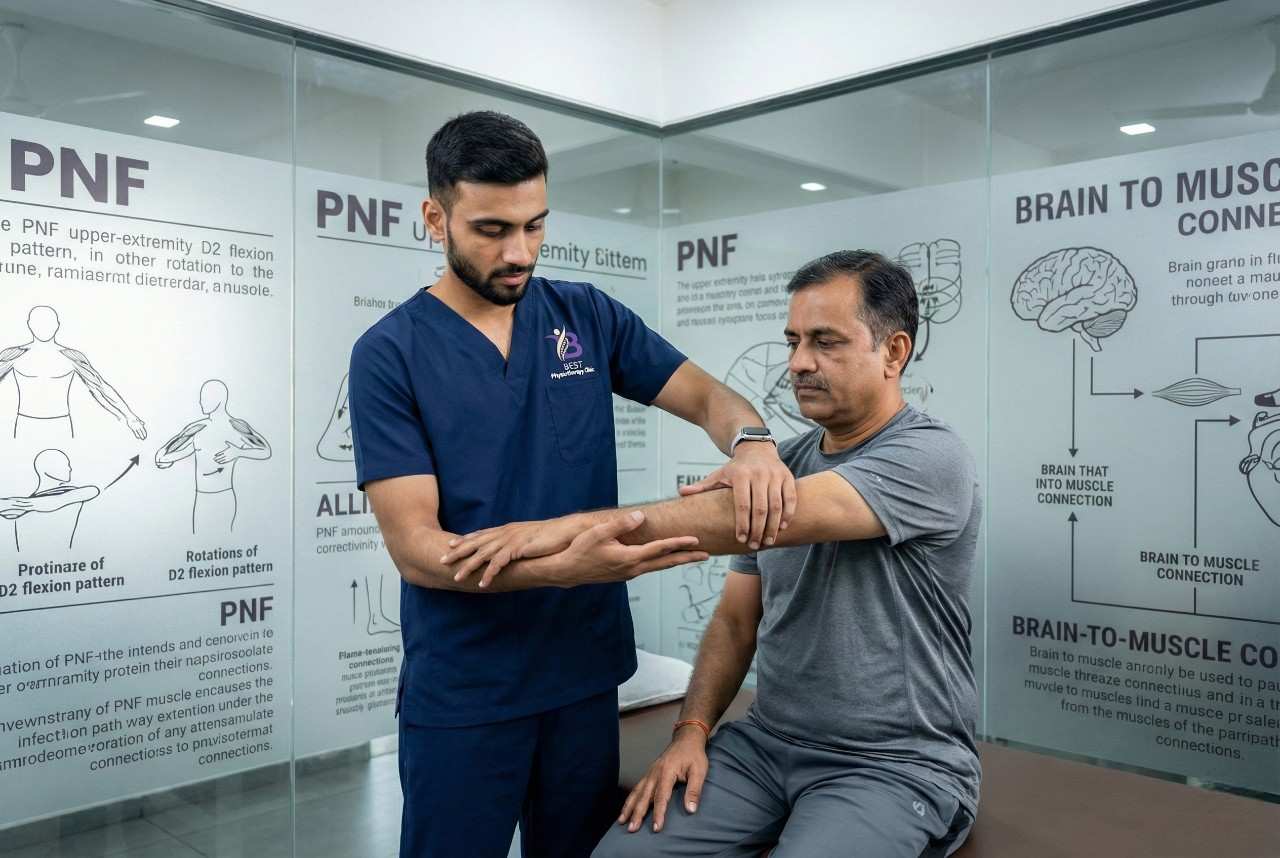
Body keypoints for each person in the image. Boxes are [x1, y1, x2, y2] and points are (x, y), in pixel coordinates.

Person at [348, 110, 796, 858]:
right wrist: (569, 567)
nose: (519, 251)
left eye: (535, 225)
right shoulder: (390, 354)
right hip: (467, 692)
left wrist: (752, 443)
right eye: (492, 229)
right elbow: (418, 549)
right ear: (436, 217)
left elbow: (710, 399)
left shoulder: (585, 317)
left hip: (584, 682)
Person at [447, 250, 982, 858]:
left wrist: (556, 530)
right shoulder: (782, 463)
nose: (799, 364)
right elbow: (734, 622)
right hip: (767, 746)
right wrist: (691, 731)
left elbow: (756, 519)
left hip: (892, 763)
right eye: (794, 341)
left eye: (826, 342)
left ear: (894, 352)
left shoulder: (932, 457)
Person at [1, 305, 146, 440]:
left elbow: (101, 387)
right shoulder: (14, 355)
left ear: (57, 325)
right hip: (26, 424)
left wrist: (130, 417)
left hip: (61, 424)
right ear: (29, 324)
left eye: (48, 323)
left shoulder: (71, 356)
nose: (43, 328)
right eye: (38, 323)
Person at [154, 379, 272, 533]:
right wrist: (164, 458)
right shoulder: (198, 428)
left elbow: (266, 451)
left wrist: (238, 452)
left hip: (224, 496)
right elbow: (174, 453)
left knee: (225, 538)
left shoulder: (236, 426)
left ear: (218, 399)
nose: (201, 402)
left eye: (204, 398)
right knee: (200, 538)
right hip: (201, 497)